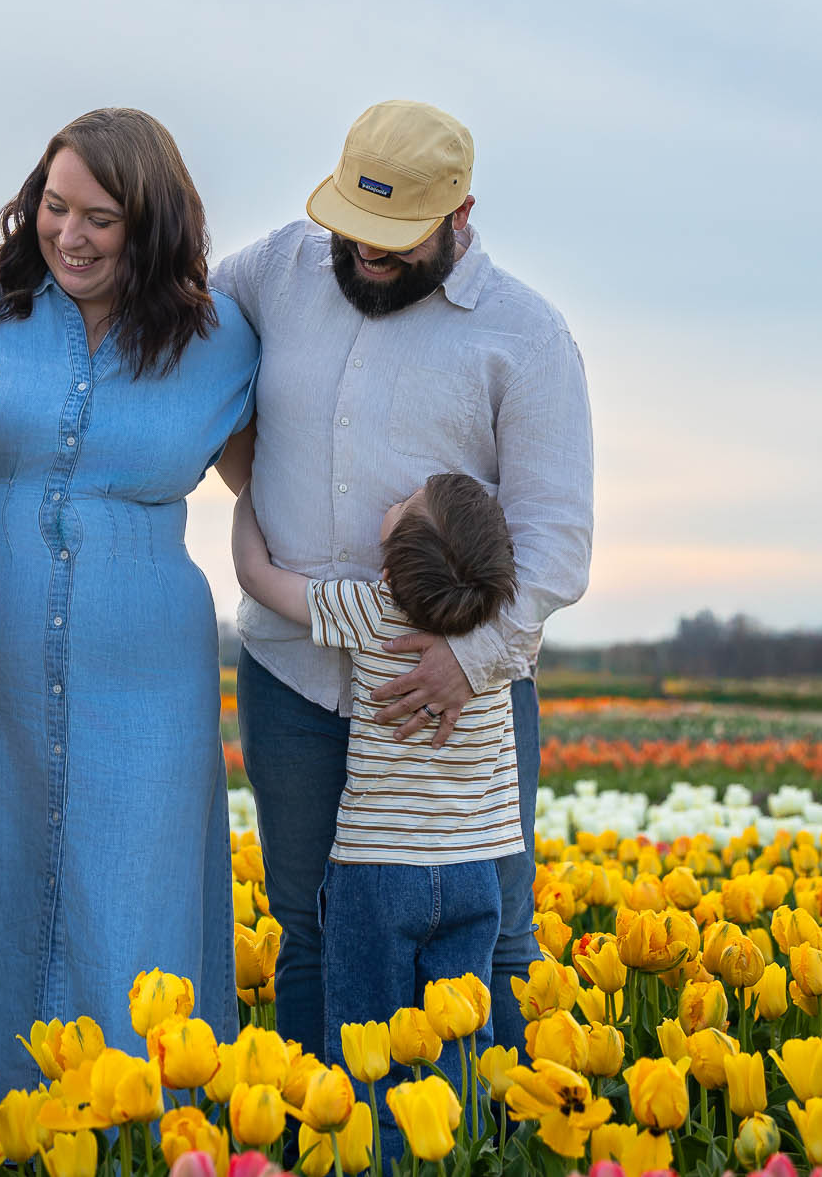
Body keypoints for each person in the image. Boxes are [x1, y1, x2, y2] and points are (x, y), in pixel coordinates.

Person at [212, 99, 594, 1062]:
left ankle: (491, 1144)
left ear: (461, 215)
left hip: (461, 702)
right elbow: (179, 318)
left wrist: (468, 663)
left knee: (497, 929)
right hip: (293, 675)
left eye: (394, 240)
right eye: (353, 231)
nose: (364, 256)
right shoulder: (280, 266)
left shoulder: (528, 335)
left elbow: (558, 542)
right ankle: (308, 1140)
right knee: (308, 925)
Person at [0, 107, 259, 1090]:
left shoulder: (224, 343)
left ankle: (145, 1130)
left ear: (152, 227)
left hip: (149, 680)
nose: (67, 235)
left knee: (140, 898)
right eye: (52, 206)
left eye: (99, 218)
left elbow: (273, 487)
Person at [233, 470, 521, 1155]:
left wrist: (252, 497)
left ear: (391, 566)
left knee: (364, 1050)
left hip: (376, 875)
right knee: (457, 1044)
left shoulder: (367, 610)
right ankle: (446, 1156)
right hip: (472, 872)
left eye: (405, 505)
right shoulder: (499, 642)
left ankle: (372, 1162)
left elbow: (255, 576)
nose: (396, 495)